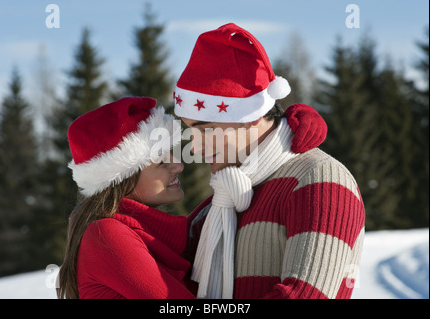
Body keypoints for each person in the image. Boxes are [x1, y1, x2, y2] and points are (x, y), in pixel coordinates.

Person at [56, 95, 325, 299]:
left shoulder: (148, 232)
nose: (178, 165)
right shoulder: (106, 234)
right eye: (162, 160)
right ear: (122, 178)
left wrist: (282, 133)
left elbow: (226, 201)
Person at [174, 23, 365, 299]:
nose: (195, 145)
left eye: (204, 128)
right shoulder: (225, 200)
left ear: (249, 115)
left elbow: (304, 296)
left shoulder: (321, 180)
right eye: (189, 129)